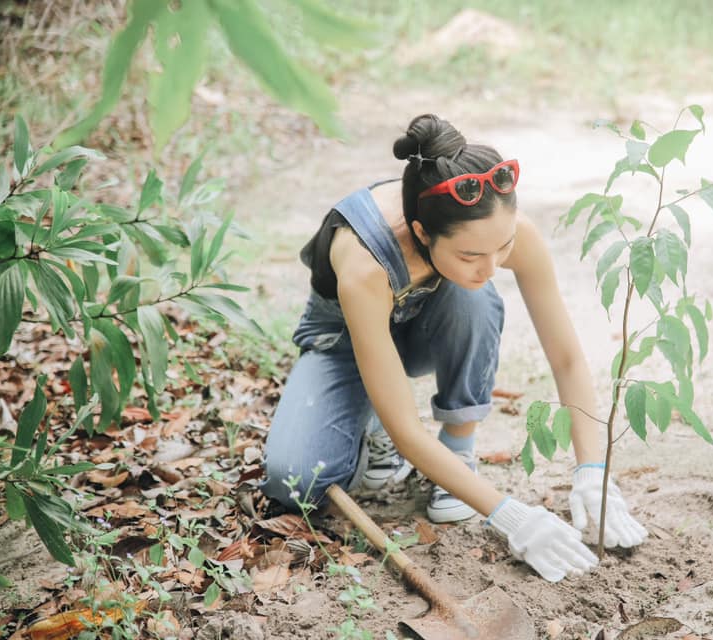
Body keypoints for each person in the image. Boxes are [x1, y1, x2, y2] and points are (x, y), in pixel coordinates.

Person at [262, 114, 648, 582]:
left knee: (474, 295)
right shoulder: (363, 264)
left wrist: (593, 469)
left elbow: (566, 356)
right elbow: (406, 427)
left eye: (502, 248)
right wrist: (511, 516)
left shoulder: (500, 232)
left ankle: (457, 446)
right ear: (423, 233)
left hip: (430, 325)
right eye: (470, 255)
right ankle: (369, 425)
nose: (492, 264)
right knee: (294, 480)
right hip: (347, 338)